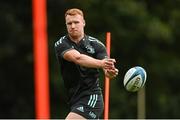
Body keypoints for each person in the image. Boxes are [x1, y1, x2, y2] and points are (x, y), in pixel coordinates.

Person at [54, 8, 118, 119]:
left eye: (76, 22)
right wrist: (102, 64)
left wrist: (110, 72)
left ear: (83, 22)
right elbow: (77, 58)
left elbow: (107, 70)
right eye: (69, 23)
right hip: (74, 99)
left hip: (92, 97)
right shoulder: (61, 44)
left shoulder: (97, 45)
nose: (73, 26)